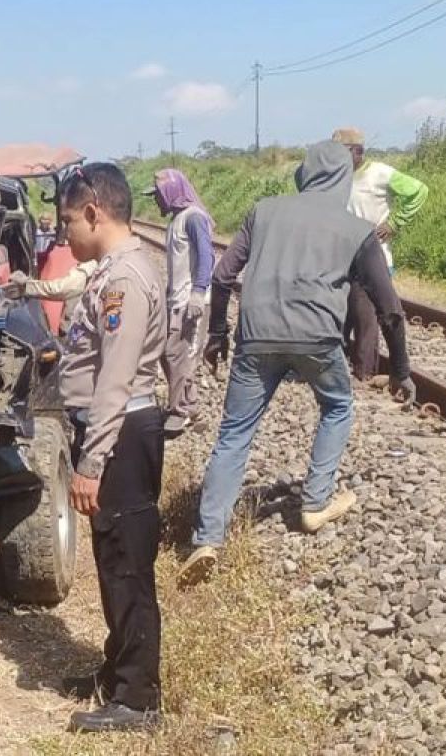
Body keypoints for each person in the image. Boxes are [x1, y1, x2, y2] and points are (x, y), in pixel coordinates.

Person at [178, 141, 416, 588]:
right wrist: (400, 370)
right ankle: (315, 503)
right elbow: (389, 309)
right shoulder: (356, 228)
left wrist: (217, 334)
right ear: (344, 179)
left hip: (256, 337)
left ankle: (208, 538)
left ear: (303, 175)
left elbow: (224, 275)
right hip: (318, 341)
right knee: (338, 405)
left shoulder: (264, 211)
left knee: (234, 433)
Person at [55, 164, 166, 733]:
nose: (66, 233)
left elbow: (115, 381)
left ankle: (139, 699)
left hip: (121, 433)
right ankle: (118, 667)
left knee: (127, 565)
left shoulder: (123, 280)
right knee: (112, 559)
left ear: (94, 211)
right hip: (114, 430)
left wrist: (91, 462)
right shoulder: (113, 272)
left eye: (69, 220)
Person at [332, 127, 429, 381]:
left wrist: (394, 223)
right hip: (341, 256)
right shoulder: (334, 177)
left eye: (341, 152)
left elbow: (418, 191)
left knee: (365, 316)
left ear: (358, 152)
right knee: (341, 313)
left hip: (374, 257)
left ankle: (364, 374)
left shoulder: (380, 173)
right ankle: (339, 369)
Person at [145, 168, 216, 437]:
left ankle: (180, 410)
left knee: (180, 354)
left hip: (191, 301)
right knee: (169, 352)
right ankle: (189, 404)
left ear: (171, 192)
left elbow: (207, 256)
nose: (156, 201)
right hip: (176, 299)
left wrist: (199, 292)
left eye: (159, 195)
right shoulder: (177, 220)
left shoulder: (194, 218)